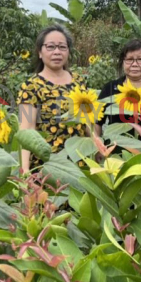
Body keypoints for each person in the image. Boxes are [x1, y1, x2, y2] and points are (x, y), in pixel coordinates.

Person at [17, 25, 88, 173]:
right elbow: (26, 130)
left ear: (68, 51)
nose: (57, 52)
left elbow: (87, 119)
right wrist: (24, 170)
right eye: (50, 47)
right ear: (40, 52)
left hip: (80, 161)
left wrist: (97, 146)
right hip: (47, 166)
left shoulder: (78, 81)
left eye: (62, 47)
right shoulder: (31, 86)